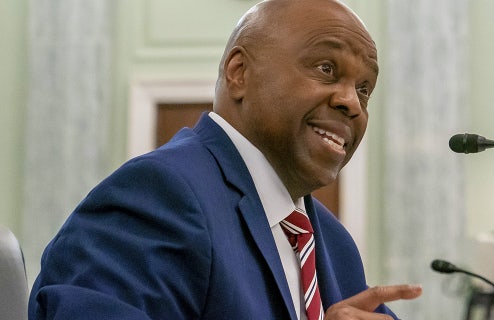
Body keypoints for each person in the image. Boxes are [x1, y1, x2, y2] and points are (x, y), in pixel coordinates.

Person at [28, 0, 422, 319]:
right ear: (239, 72)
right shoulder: (157, 196)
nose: (351, 102)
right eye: (326, 68)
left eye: (365, 89)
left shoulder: (334, 244)